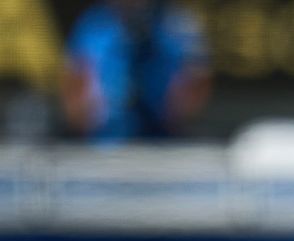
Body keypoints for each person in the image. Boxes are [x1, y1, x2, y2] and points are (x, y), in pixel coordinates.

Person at [60, 0, 210, 143]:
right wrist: (84, 120)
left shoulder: (177, 23)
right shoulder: (92, 24)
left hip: (163, 144)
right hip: (104, 143)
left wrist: (178, 113)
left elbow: (199, 77)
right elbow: (74, 81)